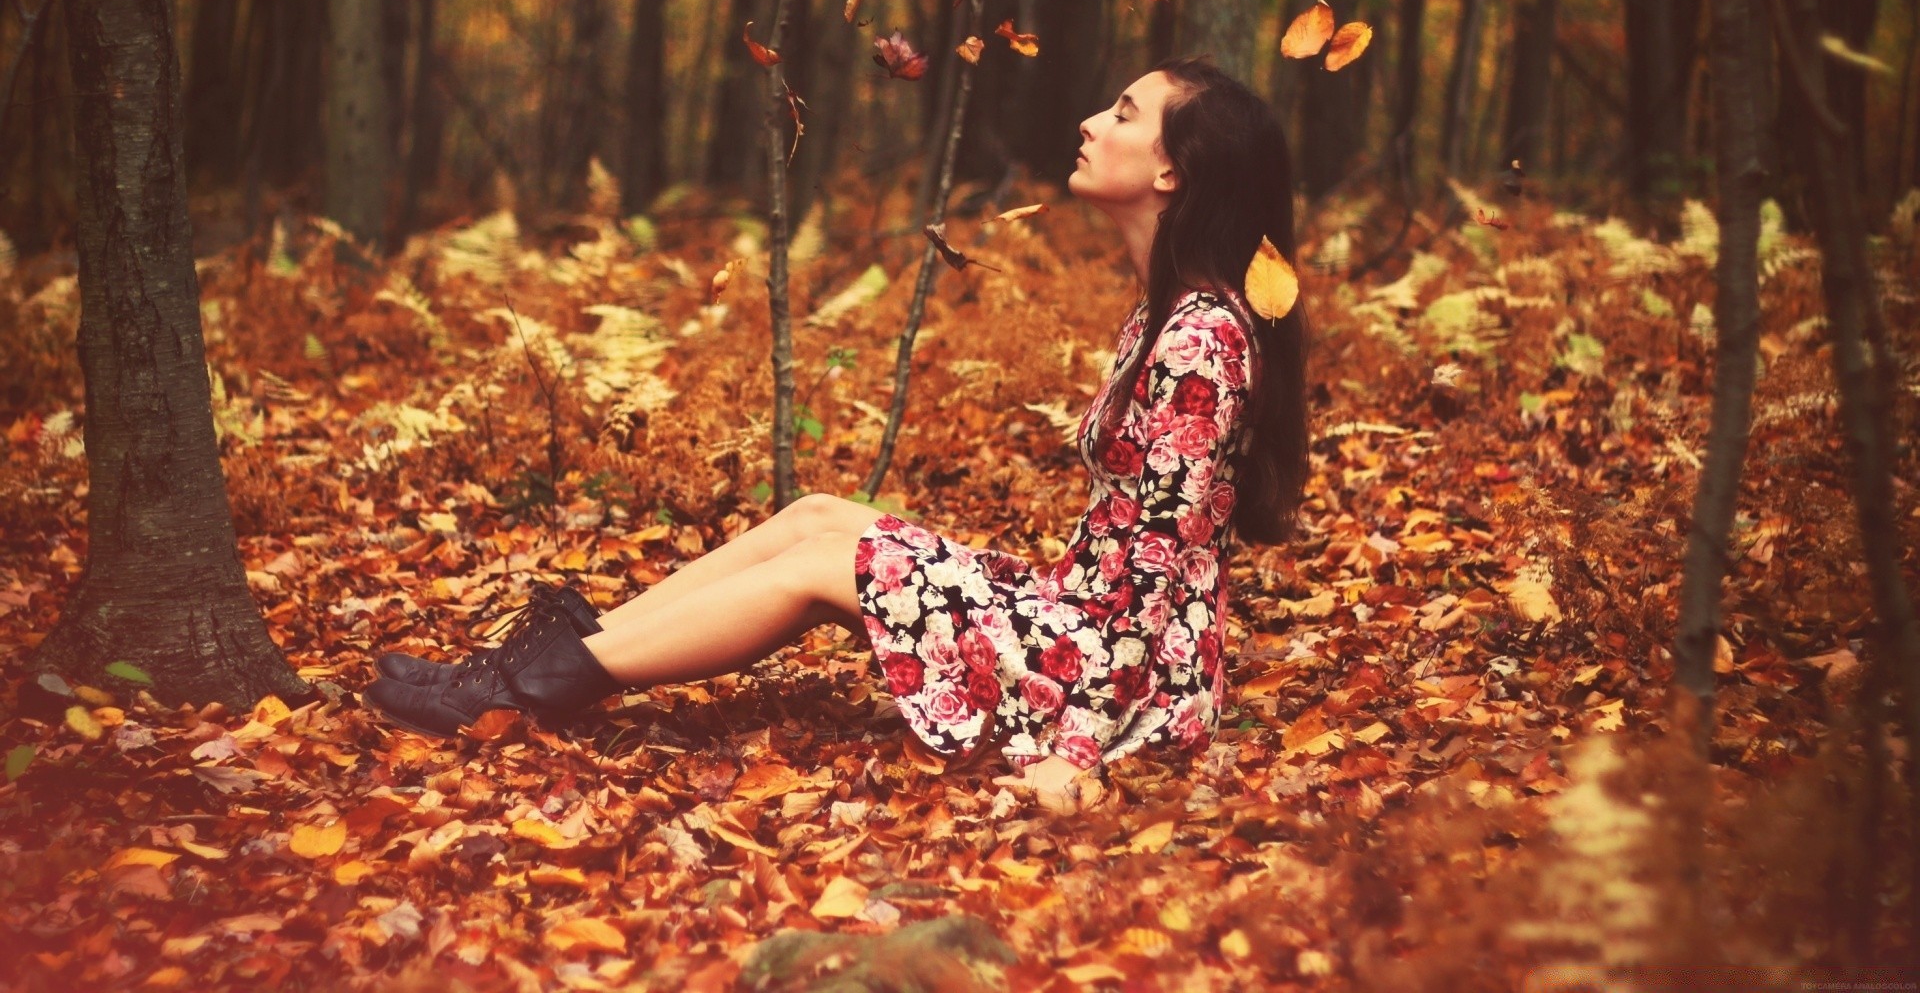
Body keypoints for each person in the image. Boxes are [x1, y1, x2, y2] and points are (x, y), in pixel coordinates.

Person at [364, 56, 1310, 814]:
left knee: (832, 566)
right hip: (1079, 616)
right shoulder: (1165, 316)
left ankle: (525, 691)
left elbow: (1155, 575)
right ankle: (533, 662)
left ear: (1170, 169)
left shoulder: (1200, 339)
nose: (1092, 123)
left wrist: (1074, 755)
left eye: (1123, 113)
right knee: (819, 513)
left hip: (1118, 672)